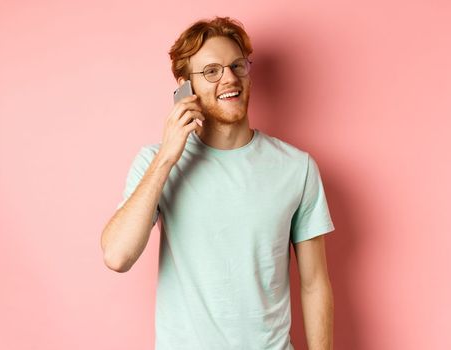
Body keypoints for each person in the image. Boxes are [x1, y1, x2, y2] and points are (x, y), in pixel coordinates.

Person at [100, 16, 335, 350]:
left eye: (237, 65)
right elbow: (117, 255)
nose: (229, 78)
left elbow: (314, 284)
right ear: (185, 87)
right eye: (211, 71)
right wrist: (168, 155)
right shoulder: (156, 163)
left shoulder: (297, 168)